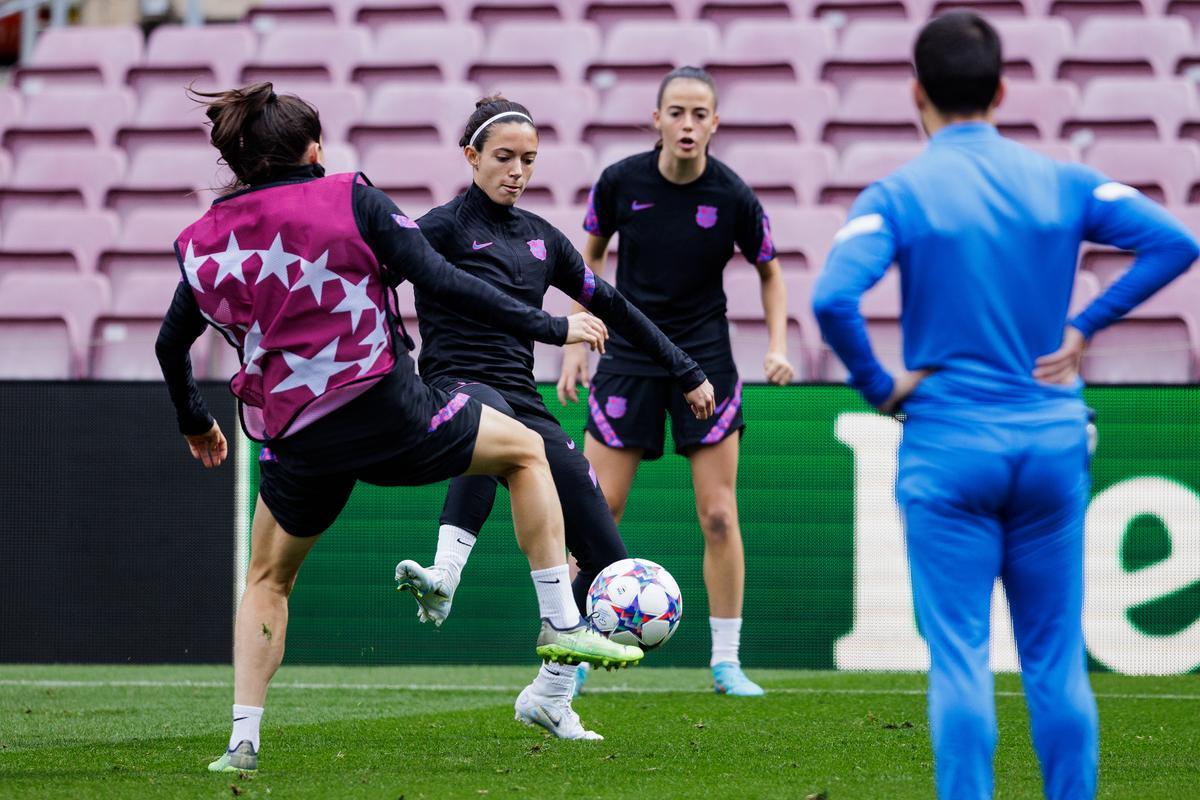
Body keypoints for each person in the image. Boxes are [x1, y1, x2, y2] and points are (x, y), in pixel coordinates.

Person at [154, 82, 643, 774]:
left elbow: (171, 345)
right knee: (525, 450)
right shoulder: (349, 195)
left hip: (295, 435)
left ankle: (242, 741)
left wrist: (194, 418)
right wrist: (550, 326)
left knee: (267, 577)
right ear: (313, 149)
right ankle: (562, 623)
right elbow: (443, 281)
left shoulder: (205, 242)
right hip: (388, 411)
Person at [812, 13, 1199, 800]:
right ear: (1002, 89)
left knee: (959, 657)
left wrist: (878, 385)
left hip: (948, 447)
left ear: (915, 92)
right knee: (1054, 659)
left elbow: (832, 298)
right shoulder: (1065, 181)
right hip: (1051, 441)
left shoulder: (901, 192)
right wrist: (1085, 326)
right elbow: (1174, 241)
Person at [391, 96, 715, 737]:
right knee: (490, 425)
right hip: (456, 386)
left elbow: (615, 306)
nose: (517, 171)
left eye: (529, 160)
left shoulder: (542, 237)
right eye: (504, 158)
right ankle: (445, 575)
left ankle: (550, 696)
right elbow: (371, 278)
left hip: (524, 398)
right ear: (472, 157)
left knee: (607, 557)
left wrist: (686, 369)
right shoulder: (438, 228)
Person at [556, 67, 795, 696]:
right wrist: (579, 340)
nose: (687, 125)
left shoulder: (735, 197)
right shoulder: (619, 183)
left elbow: (771, 273)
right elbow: (588, 258)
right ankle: (574, 654)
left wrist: (776, 345)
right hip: (629, 354)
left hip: (706, 359)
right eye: (677, 113)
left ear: (714, 123)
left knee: (718, 515)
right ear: (656, 119)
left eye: (699, 114)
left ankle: (726, 662)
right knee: (596, 509)